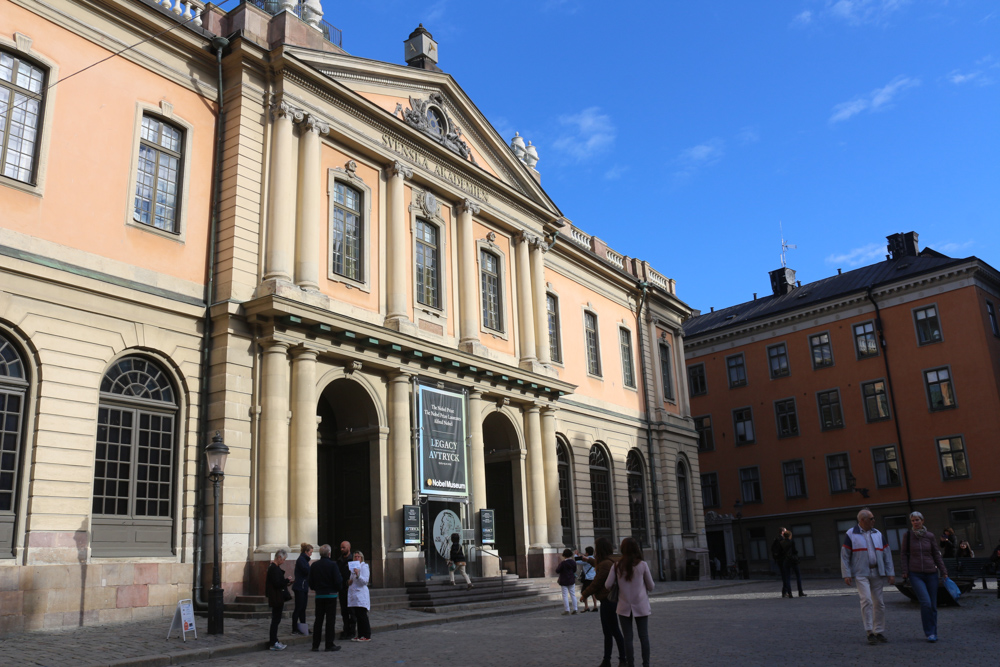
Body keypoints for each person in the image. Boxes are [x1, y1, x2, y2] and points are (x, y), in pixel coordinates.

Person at [841, 509, 895, 646]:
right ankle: (870, 631)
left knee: (879, 603)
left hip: (877, 571)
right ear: (862, 520)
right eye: (871, 518)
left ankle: (879, 631)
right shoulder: (851, 534)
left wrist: (890, 572)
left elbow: (887, 554)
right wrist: (846, 573)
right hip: (861, 572)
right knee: (866, 600)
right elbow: (845, 555)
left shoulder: (878, 533)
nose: (874, 520)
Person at [900, 511, 949, 642]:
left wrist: (943, 570)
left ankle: (933, 632)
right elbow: (904, 554)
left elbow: (936, 554)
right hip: (915, 574)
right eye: (913, 520)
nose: (915, 522)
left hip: (931, 573)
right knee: (925, 603)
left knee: (933, 605)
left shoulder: (930, 536)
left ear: (922, 520)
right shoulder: (908, 536)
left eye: (917, 520)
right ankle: (928, 632)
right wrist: (905, 570)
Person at [606, 537, 654, 667]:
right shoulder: (642, 565)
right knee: (644, 637)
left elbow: (608, 585)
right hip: (641, 604)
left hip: (623, 606)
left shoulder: (616, 566)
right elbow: (651, 586)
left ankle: (630, 664)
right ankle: (646, 664)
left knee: (628, 638)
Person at [581, 537, 626, 667]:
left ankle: (622, 659)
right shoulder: (607, 561)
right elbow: (597, 564)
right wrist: (587, 559)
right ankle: (607, 660)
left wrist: (585, 594)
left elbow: (596, 583)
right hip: (607, 601)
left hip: (608, 601)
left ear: (599, 549)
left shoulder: (606, 564)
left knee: (614, 631)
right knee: (607, 632)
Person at [308, 544, 343, 652]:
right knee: (330, 621)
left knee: (318, 620)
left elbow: (311, 581)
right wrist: (338, 588)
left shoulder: (314, 565)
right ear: (329, 553)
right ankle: (329, 644)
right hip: (331, 595)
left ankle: (315, 645)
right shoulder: (333, 565)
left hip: (319, 595)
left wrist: (316, 588)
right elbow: (338, 581)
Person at [264, 548, 292, 651]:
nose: (283, 561)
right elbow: (277, 583)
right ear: (279, 557)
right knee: (275, 620)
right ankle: (273, 642)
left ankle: (274, 641)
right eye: (283, 559)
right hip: (276, 597)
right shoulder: (274, 568)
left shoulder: (273, 567)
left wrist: (285, 582)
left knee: (276, 620)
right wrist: (286, 581)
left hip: (276, 596)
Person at [347, 550, 372, 641]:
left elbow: (365, 581)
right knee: (357, 615)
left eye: (358, 557)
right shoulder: (353, 568)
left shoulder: (364, 567)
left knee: (362, 616)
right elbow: (352, 580)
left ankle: (366, 635)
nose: (357, 558)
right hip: (354, 595)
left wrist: (358, 575)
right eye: (355, 557)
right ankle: (360, 634)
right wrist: (349, 582)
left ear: (361, 558)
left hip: (361, 595)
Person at [778, 529, 806, 598]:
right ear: (790, 536)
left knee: (787, 577)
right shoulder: (791, 542)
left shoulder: (781, 543)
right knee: (798, 575)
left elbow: (780, 552)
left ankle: (790, 593)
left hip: (786, 561)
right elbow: (795, 551)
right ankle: (800, 591)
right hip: (793, 560)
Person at [291, 542, 312, 635]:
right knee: (299, 608)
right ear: (306, 552)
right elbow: (306, 571)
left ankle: (303, 628)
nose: (311, 554)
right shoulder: (301, 560)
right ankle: (294, 628)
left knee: (302, 608)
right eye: (310, 552)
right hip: (300, 587)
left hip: (303, 586)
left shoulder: (304, 559)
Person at [336, 541, 355, 640]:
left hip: (351, 590)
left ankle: (352, 630)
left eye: (343, 547)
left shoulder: (353, 560)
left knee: (352, 611)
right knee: (344, 611)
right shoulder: (339, 561)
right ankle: (346, 629)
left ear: (349, 547)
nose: (342, 549)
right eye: (341, 547)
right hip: (342, 589)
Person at [556, 548, 579, 615]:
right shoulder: (573, 562)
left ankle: (567, 609)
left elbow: (557, 570)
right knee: (573, 594)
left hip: (564, 580)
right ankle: (575, 608)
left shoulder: (563, 563)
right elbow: (574, 570)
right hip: (571, 579)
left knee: (565, 595)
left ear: (564, 555)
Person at [576, 546, 597, 611]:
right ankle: (595, 606)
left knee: (584, 592)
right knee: (593, 592)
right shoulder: (593, 558)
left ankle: (586, 606)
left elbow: (577, 562)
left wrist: (576, 555)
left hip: (588, 578)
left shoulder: (587, 560)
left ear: (587, 553)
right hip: (593, 577)